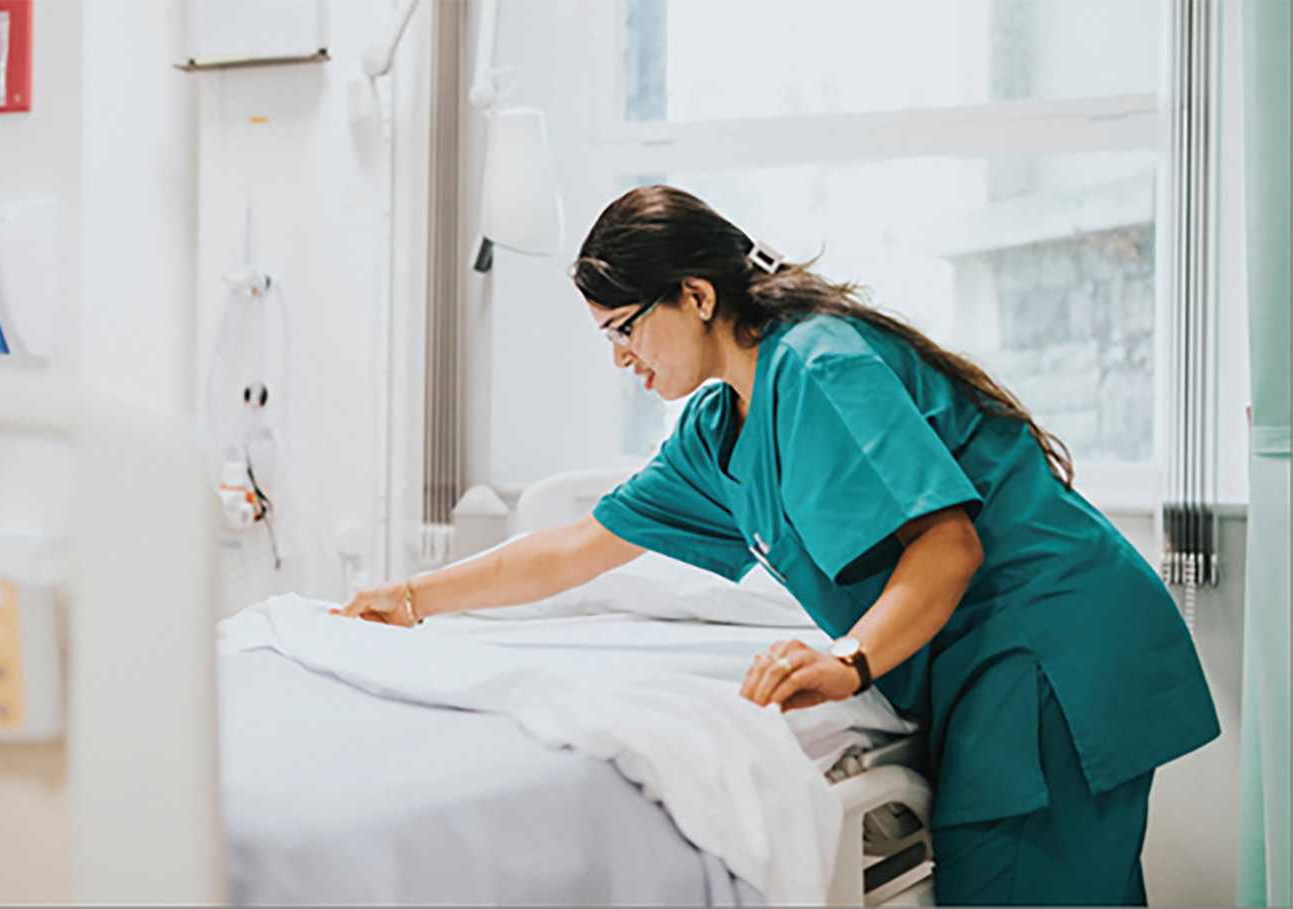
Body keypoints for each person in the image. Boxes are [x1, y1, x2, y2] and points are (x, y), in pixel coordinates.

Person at [333, 185, 1219, 905]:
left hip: (1051, 649)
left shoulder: (818, 365)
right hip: (997, 665)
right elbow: (576, 544)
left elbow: (948, 547)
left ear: (697, 296)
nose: (619, 359)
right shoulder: (719, 425)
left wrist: (848, 661)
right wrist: (411, 597)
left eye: (623, 329)